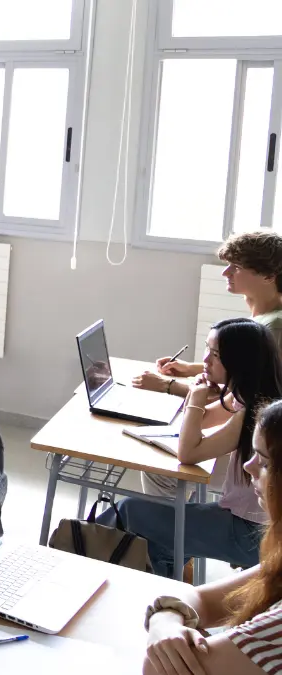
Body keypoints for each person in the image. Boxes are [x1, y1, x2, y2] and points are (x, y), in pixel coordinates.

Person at [103, 318, 282, 578]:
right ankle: (164, 586)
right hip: (242, 521)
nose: (206, 360)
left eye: (216, 354)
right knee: (157, 542)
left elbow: (189, 453)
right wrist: (197, 397)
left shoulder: (254, 412)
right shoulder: (250, 392)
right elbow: (204, 419)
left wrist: (196, 396)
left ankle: (74, 553)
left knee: (130, 510)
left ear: (239, 361)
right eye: (207, 349)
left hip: (249, 533)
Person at [140, 399, 282, 675]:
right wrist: (165, 621)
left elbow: (155, 668)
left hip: (238, 530)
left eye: (264, 463)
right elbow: (201, 599)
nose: (248, 467)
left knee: (132, 514)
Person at [137, 230, 282, 395]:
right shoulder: (265, 315)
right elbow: (246, 371)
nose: (225, 272)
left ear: (268, 276)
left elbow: (249, 398)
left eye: (237, 267)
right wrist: (191, 368)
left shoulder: (275, 327)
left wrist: (168, 386)